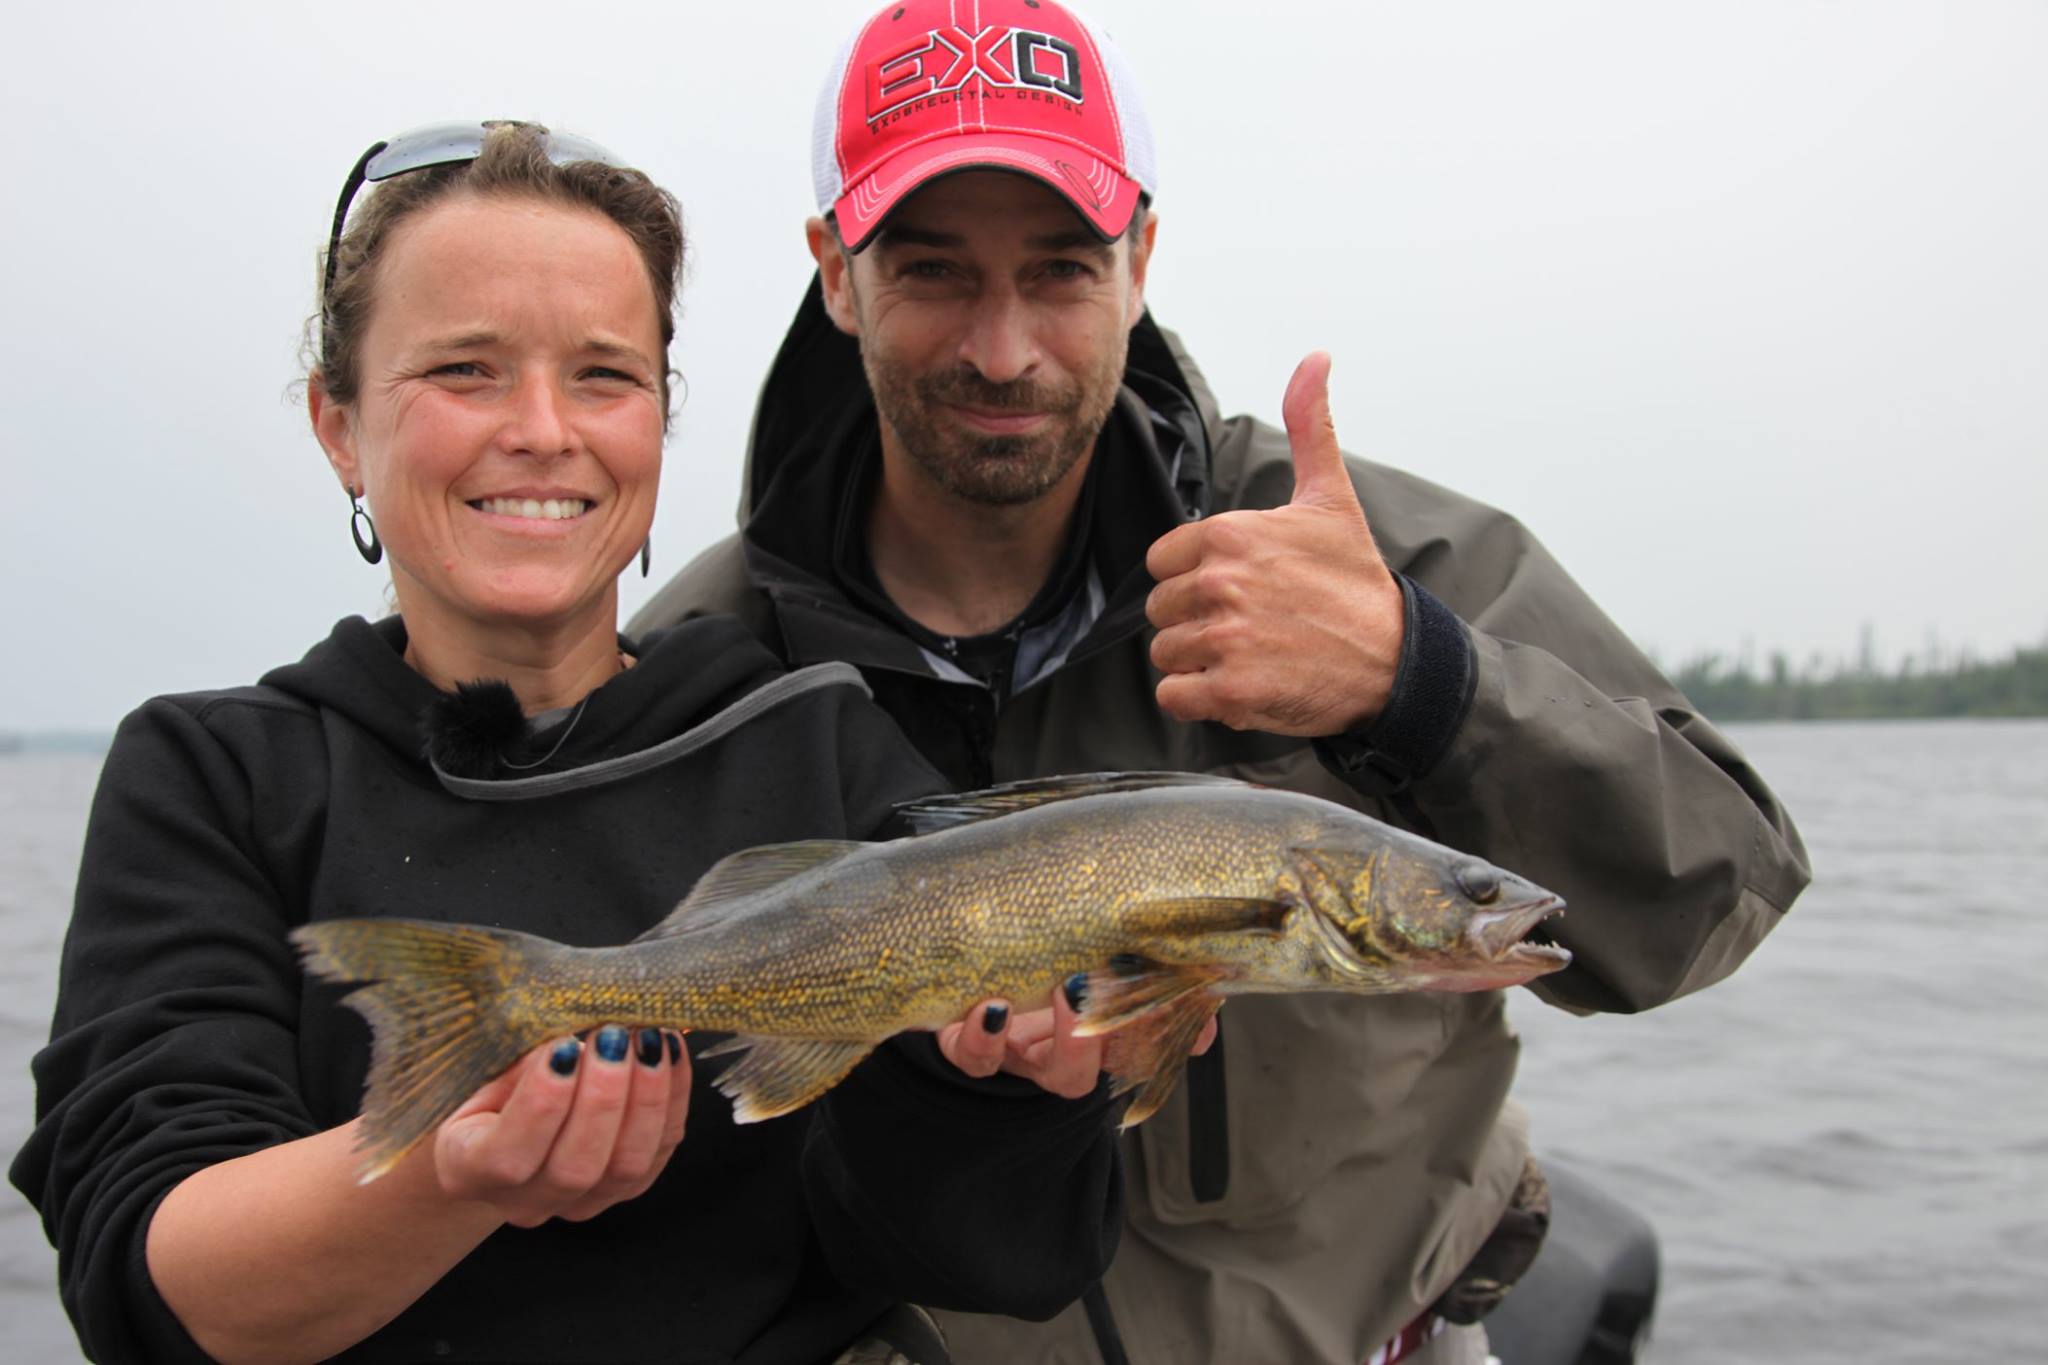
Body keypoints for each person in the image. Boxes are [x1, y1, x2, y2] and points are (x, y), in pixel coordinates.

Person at [629, 3, 1814, 1363]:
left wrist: (1418, 682)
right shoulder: (696, 672)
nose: (1003, 349)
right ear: (837, 272)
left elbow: (1723, 884)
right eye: (934, 270)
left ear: (1140, 260)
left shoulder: (1362, 557)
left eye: (1064, 270)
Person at [11, 121, 1130, 1365]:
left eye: (604, 375)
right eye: (466, 370)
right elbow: (147, 1286)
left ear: (659, 420)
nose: (543, 430)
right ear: (338, 423)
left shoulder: (817, 742)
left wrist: (1002, 1082)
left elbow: (1002, 1264)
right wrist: (451, 1174)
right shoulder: (215, 778)